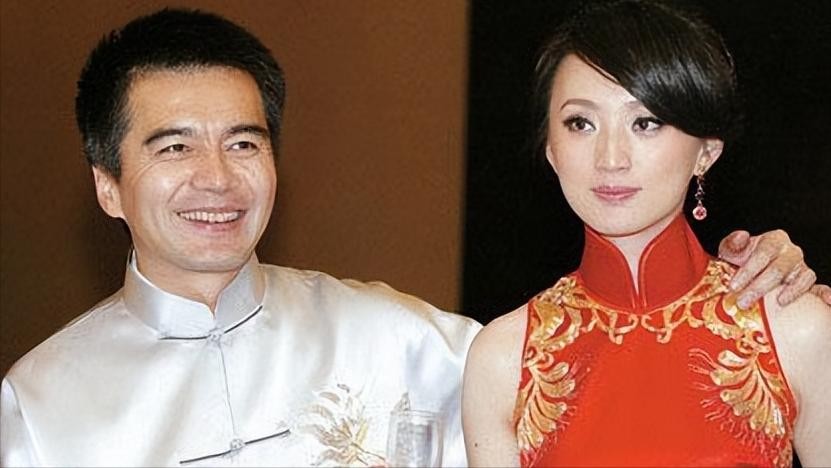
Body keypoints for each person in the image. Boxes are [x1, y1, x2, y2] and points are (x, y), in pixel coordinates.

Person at [0, 6, 823, 468]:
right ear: (107, 183)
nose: (216, 178)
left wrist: (776, 279)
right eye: (174, 147)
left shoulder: (405, 339)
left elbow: (613, 363)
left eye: (244, 143)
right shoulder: (36, 406)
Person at [462, 1, 831, 466]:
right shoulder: (504, 359)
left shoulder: (794, 329)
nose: (610, 158)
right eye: (581, 123)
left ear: (706, 152)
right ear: (551, 150)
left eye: (645, 122)